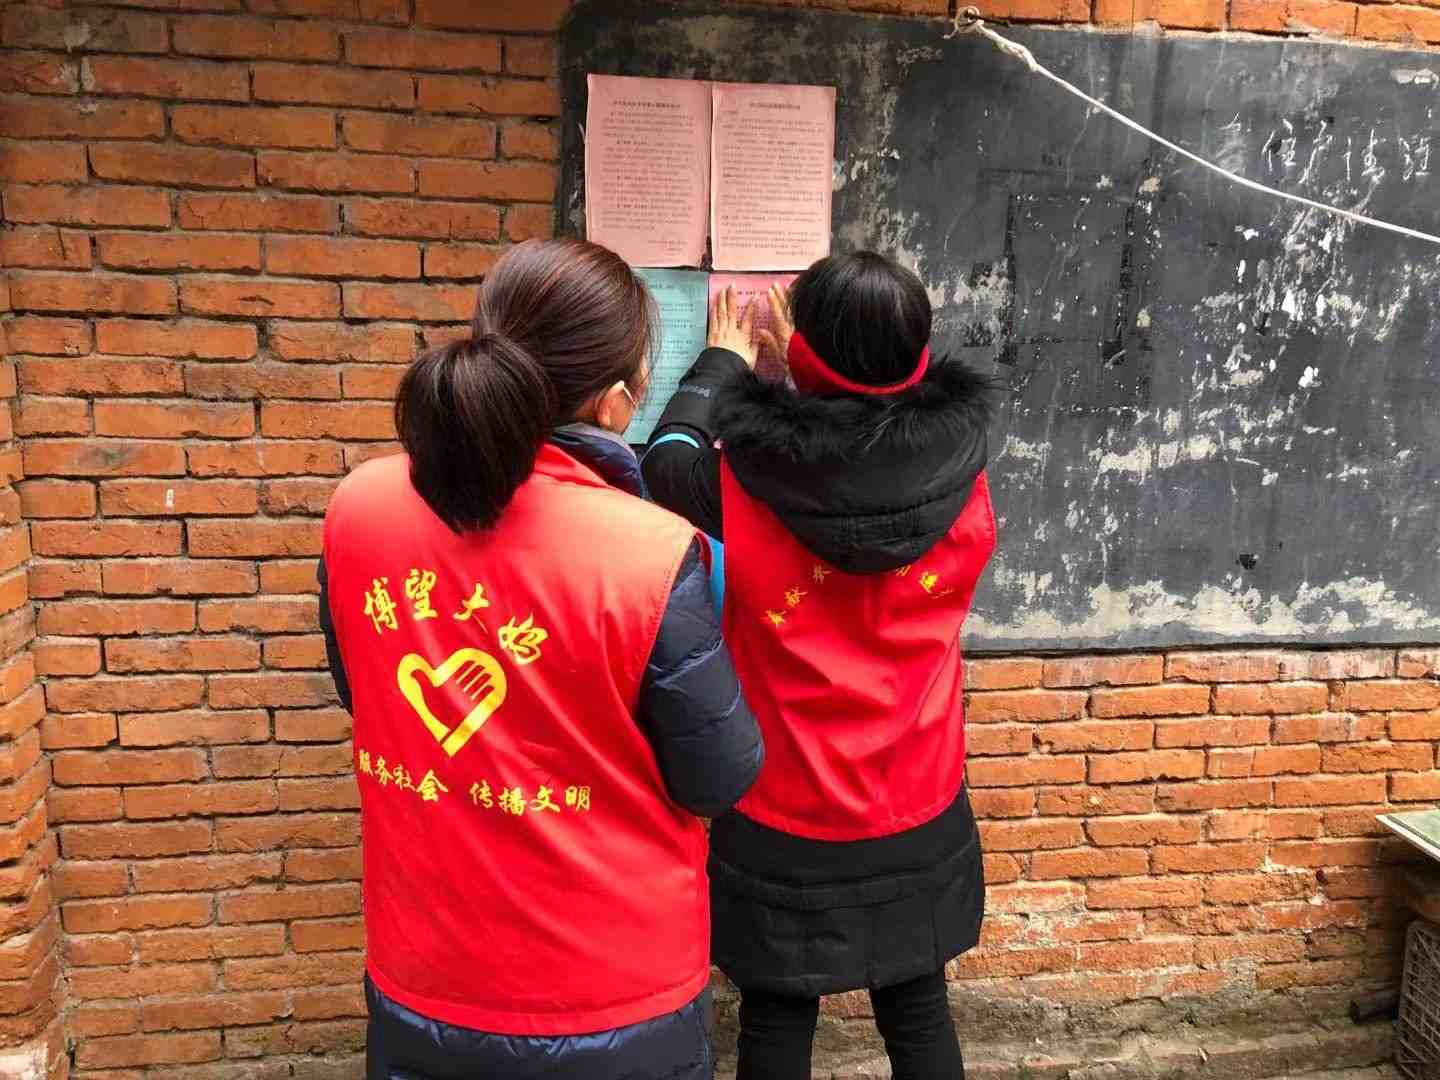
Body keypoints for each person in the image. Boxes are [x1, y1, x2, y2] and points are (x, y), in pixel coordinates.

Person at [318, 238, 763, 1080]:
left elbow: (362, 689)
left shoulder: (359, 507)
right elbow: (717, 776)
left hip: (423, 970)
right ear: (616, 404)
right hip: (614, 994)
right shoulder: (649, 554)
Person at [642, 252, 996, 1080]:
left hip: (784, 807)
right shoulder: (965, 472)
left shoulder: (744, 480)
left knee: (776, 1016)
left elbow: (666, 460)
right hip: (918, 796)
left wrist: (725, 361)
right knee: (918, 1010)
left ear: (803, 352)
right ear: (917, 356)